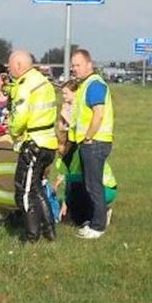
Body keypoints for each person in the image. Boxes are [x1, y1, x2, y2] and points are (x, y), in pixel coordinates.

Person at [5, 50, 59, 241]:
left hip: (33, 144)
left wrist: (12, 130)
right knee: (37, 189)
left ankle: (31, 235)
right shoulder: (43, 81)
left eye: (10, 66)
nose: (9, 70)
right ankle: (49, 231)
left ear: (19, 65)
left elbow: (20, 116)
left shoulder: (25, 85)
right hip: (49, 143)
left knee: (24, 192)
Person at [68, 49, 115, 240]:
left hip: (95, 142)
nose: (74, 69)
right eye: (72, 65)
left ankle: (98, 226)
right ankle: (92, 221)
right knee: (89, 184)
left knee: (94, 185)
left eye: (78, 65)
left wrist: (88, 136)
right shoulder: (86, 84)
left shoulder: (94, 84)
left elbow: (98, 113)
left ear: (89, 64)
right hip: (90, 141)